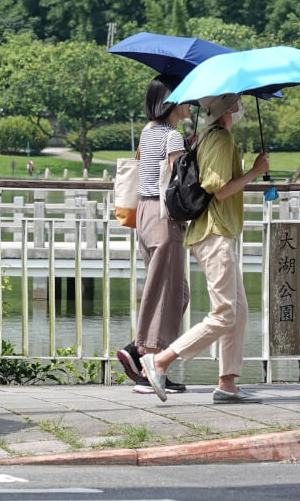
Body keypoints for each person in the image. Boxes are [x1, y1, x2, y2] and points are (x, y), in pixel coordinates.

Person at [140, 93, 269, 404]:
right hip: (214, 233)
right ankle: (160, 362)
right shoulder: (221, 139)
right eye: (238, 103)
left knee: (238, 309)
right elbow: (220, 191)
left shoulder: (209, 137)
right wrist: (254, 171)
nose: (241, 108)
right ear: (229, 108)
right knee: (225, 312)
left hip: (211, 231)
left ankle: (228, 383)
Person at [116, 74, 191, 395]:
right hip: (163, 217)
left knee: (173, 291)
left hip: (144, 213)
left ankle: (142, 350)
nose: (192, 101)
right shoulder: (172, 136)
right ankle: (147, 363)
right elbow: (179, 181)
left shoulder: (149, 132)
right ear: (172, 101)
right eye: (187, 95)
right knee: (169, 292)